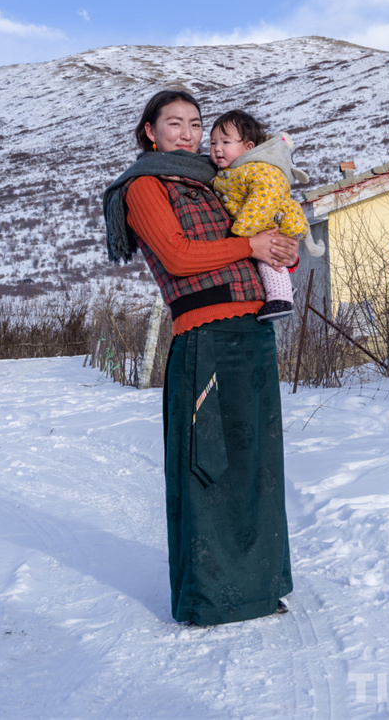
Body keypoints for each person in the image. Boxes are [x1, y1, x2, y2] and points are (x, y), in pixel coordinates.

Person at [103, 90, 297, 626]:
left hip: (254, 331)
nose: (187, 134)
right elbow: (179, 256)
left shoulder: (217, 183)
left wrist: (280, 249)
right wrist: (252, 246)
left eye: (195, 123)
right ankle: (212, 598)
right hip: (206, 337)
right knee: (210, 465)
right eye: (174, 123)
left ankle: (258, 587)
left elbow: (262, 236)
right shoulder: (145, 185)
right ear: (150, 130)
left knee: (257, 464)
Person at [210, 109, 325, 321]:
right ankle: (281, 290)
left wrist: (241, 234)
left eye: (226, 143)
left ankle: (281, 299)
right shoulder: (236, 170)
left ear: (248, 147)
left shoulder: (260, 170)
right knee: (266, 255)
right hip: (261, 224)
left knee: (269, 255)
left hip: (271, 222)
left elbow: (262, 202)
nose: (217, 149)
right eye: (213, 143)